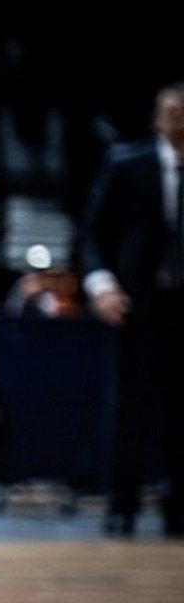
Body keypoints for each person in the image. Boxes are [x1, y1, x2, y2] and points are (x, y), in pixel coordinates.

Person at [82, 84, 184, 536]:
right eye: (170, 110)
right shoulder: (127, 163)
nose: (177, 118)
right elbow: (92, 233)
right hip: (135, 303)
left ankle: (178, 509)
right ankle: (120, 507)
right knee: (128, 407)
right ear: (157, 117)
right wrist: (102, 285)